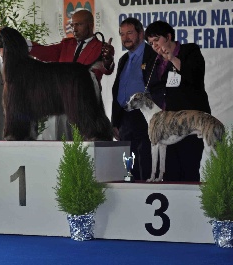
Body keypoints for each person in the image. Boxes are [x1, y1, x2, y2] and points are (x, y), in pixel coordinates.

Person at [29, 9, 115, 141]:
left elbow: (106, 69)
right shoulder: (66, 44)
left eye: (78, 25)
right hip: (61, 103)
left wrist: (108, 59)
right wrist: (22, 44)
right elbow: (44, 52)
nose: (74, 29)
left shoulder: (101, 47)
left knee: (85, 144)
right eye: (72, 25)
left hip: (85, 105)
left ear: (90, 25)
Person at [145, 20, 211, 182]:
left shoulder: (190, 51)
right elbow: (153, 87)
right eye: (151, 43)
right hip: (166, 125)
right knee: (170, 172)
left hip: (189, 122)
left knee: (189, 168)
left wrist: (172, 58)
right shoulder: (153, 60)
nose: (154, 46)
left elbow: (195, 77)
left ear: (169, 37)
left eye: (156, 40)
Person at [111, 17, 157, 181]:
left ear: (141, 33)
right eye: (122, 34)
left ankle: (146, 194)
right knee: (128, 168)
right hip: (125, 118)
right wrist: (115, 122)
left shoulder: (153, 55)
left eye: (130, 33)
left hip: (144, 116)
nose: (125, 38)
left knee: (146, 161)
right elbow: (118, 91)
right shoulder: (124, 59)